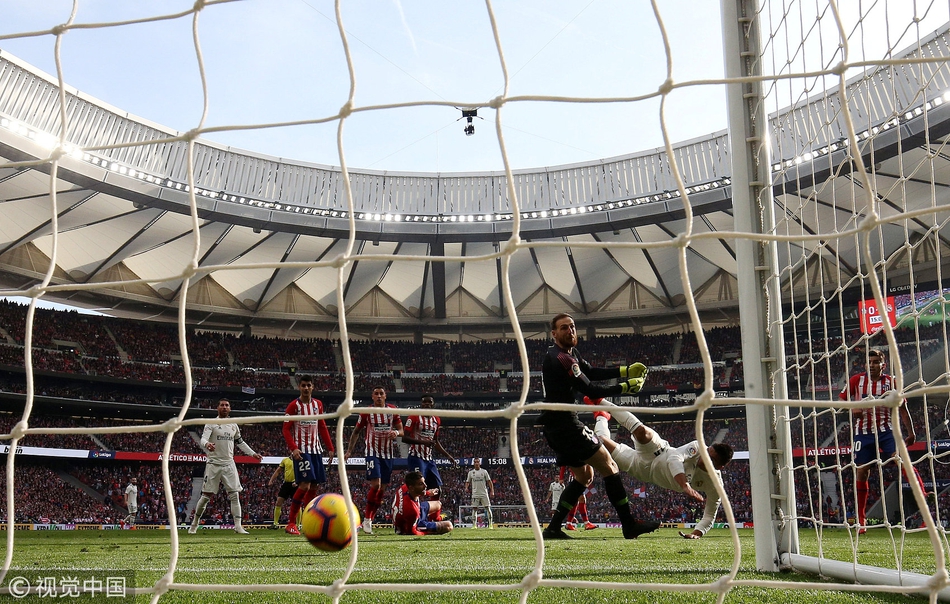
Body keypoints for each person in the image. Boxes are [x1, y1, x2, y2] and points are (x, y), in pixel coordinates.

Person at [538, 312, 660, 540]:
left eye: (572, 326)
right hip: (565, 425)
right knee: (609, 466)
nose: (570, 331)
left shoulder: (570, 354)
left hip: (556, 426)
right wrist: (624, 387)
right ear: (554, 334)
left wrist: (625, 371)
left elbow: (591, 372)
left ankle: (553, 528)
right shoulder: (561, 358)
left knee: (584, 475)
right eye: (564, 328)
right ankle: (629, 524)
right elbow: (591, 390)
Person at [586, 396, 734, 539]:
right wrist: (685, 485)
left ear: (719, 467)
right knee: (642, 432)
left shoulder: (716, 484)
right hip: (659, 449)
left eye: (711, 459)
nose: (704, 457)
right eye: (707, 452)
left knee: (600, 442)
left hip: (643, 470)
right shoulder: (698, 447)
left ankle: (601, 417)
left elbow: (709, 515)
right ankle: (600, 401)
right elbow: (673, 458)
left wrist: (697, 533)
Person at [839, 348, 927, 534]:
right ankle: (861, 519)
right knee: (862, 471)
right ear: (865, 365)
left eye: (875, 362)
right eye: (869, 362)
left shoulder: (892, 383)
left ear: (883, 365)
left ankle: (924, 499)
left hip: (887, 431)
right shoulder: (856, 381)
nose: (871, 365)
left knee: (902, 459)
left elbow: (902, 409)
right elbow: (840, 401)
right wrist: (852, 408)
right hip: (863, 433)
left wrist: (911, 432)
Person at [189, 398, 263, 534]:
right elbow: (203, 438)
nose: (224, 407)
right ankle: (194, 524)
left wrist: (253, 453)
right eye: (222, 405)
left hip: (229, 463)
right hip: (213, 464)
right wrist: (207, 444)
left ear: (230, 408)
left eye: (227, 405)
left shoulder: (233, 425)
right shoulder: (211, 423)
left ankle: (238, 526)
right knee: (205, 496)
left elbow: (240, 442)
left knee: (234, 495)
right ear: (218, 408)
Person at [345, 386, 403, 535]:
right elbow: (356, 431)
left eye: (381, 393)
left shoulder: (392, 410)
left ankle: (370, 519)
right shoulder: (367, 411)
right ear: (372, 396)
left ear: (385, 396)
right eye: (376, 394)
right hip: (372, 453)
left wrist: (396, 432)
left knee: (382, 490)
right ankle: (366, 519)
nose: (378, 396)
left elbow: (402, 430)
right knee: (376, 485)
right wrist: (349, 451)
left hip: (388, 455)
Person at [282, 375, 335, 535]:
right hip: (302, 451)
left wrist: (330, 447)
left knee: (314, 486)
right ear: (299, 387)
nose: (306, 388)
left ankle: (308, 522)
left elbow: (322, 426)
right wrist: (293, 448)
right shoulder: (294, 406)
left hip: (316, 450)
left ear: (313, 387)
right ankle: (291, 523)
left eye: (308, 385)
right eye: (303, 385)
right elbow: (286, 429)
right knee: (304, 485)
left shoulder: (318, 405)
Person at [402, 395, 456, 502]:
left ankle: (433, 512)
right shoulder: (414, 416)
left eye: (429, 402)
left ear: (433, 404)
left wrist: (448, 455)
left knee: (437, 490)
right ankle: (412, 510)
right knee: (417, 488)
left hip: (429, 459)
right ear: (421, 404)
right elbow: (404, 438)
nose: (427, 404)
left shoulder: (436, 420)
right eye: (424, 402)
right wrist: (424, 442)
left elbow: (435, 441)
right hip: (416, 457)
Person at [392, 471, 454, 535]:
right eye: (420, 484)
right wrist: (426, 533)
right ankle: (428, 523)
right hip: (412, 525)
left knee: (438, 504)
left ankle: (438, 519)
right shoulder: (412, 511)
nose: (425, 486)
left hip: (413, 512)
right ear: (411, 488)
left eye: (424, 482)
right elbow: (412, 531)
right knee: (449, 525)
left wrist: (427, 493)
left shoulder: (405, 487)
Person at [267, 456, 296, 529]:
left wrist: (298, 481)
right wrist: (271, 480)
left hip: (296, 484)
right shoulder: (285, 460)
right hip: (286, 484)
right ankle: (275, 523)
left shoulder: (299, 460)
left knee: (297, 504)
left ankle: (298, 525)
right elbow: (278, 471)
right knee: (278, 502)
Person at [465, 457, 494, 528]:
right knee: (474, 509)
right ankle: (474, 525)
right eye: (475, 462)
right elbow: (467, 482)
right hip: (475, 494)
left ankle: (490, 524)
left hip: (484, 493)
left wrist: (492, 491)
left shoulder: (484, 472)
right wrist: (466, 487)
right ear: (474, 463)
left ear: (479, 463)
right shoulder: (471, 473)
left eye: (477, 462)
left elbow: (489, 482)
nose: (476, 463)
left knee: (488, 508)